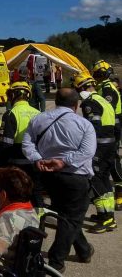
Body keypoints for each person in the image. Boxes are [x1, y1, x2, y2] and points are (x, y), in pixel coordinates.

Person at [22, 88, 96, 273]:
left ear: (55, 101)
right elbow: (87, 152)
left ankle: (84, 250)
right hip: (74, 176)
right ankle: (56, 262)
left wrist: (38, 159)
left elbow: (27, 143)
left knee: (67, 216)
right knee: (71, 218)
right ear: (76, 104)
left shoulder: (38, 119)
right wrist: (63, 162)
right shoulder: (84, 124)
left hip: (48, 176)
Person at [73, 73, 117, 233]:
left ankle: (106, 218)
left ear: (82, 88)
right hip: (110, 145)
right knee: (104, 179)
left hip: (99, 147)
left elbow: (94, 127)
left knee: (95, 180)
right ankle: (108, 215)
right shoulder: (103, 100)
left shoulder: (90, 103)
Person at [0, 81, 43, 212]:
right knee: (37, 195)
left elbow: (6, 143)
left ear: (13, 95)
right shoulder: (38, 113)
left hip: (18, 164)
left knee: (19, 196)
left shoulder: (11, 114)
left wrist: (1, 165)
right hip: (37, 162)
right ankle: (40, 223)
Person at [92, 60, 122, 211]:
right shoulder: (102, 87)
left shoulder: (107, 89)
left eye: (97, 74)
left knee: (114, 162)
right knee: (109, 162)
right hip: (110, 128)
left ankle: (120, 195)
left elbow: (108, 110)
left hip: (112, 129)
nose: (95, 76)